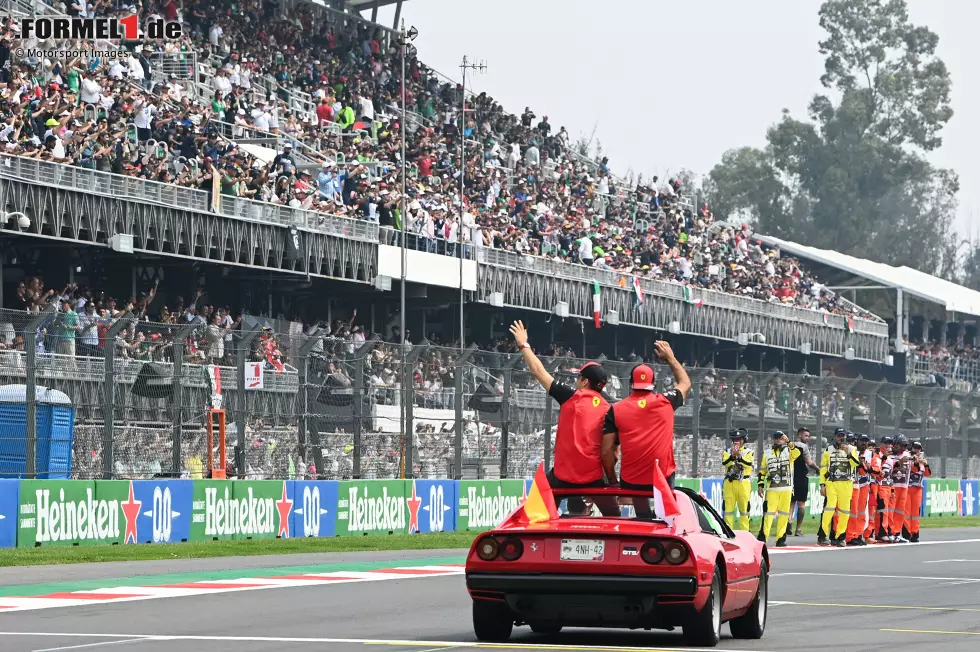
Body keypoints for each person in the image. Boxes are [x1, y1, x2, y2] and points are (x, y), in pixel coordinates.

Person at [508, 320, 610, 493]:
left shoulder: (572, 396)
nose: (576, 381)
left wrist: (524, 344)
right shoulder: (609, 406)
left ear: (585, 382)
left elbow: (539, 371)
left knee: (537, 505)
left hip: (563, 476)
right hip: (595, 477)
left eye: (578, 377)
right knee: (612, 512)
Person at [601, 341, 691, 490]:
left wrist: (612, 480)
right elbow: (685, 383)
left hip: (630, 480)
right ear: (654, 384)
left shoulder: (615, 410)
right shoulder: (666, 401)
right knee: (666, 512)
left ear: (630, 384)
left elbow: (606, 451)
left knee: (640, 509)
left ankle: (642, 512)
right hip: (662, 477)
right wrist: (670, 358)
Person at [818, 428, 861, 547]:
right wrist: (822, 485)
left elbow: (856, 464)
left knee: (845, 511)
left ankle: (841, 537)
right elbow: (823, 469)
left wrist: (847, 452)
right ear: (835, 437)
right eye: (839, 436)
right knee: (829, 509)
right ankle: (823, 535)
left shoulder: (852, 449)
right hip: (831, 482)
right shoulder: (828, 450)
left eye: (843, 436)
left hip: (846, 484)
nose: (841, 438)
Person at [757, 430, 800, 547]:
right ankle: (763, 538)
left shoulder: (789, 451)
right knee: (768, 514)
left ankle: (780, 539)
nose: (778, 440)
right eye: (776, 438)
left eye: (780, 438)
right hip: (772, 489)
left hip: (786, 488)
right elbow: (763, 471)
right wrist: (760, 485)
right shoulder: (767, 453)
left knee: (784, 514)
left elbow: (797, 454)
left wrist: (788, 442)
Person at [722, 429, 754, 531]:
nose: (737, 442)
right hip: (729, 483)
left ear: (744, 440)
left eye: (740, 439)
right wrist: (732, 456)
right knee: (728, 510)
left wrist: (739, 457)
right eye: (735, 440)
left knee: (744, 510)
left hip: (743, 482)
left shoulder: (749, 452)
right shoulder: (727, 451)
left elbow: (748, 464)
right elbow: (725, 463)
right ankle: (728, 533)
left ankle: (745, 533)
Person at [845, 434, 874, 546]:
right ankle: (850, 535)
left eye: (866, 441)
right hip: (854, 484)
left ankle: (858, 534)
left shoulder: (870, 454)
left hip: (864, 484)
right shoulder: (853, 452)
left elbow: (871, 469)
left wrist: (867, 467)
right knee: (853, 511)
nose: (864, 443)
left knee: (862, 512)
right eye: (862, 441)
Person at [884, 434, 913, 543]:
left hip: (904, 486)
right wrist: (898, 462)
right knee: (890, 510)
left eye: (905, 446)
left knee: (900, 511)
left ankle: (896, 532)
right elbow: (887, 469)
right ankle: (889, 532)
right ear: (895, 444)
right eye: (901, 445)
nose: (903, 448)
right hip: (893, 485)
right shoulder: (889, 455)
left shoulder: (907, 454)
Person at [791, 427, 819, 536]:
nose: (807, 438)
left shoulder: (789, 445)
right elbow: (809, 462)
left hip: (791, 477)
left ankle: (788, 523)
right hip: (801, 477)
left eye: (808, 436)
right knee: (801, 503)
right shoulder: (804, 447)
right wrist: (817, 469)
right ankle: (798, 529)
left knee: (791, 502)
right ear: (799, 435)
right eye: (805, 435)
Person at [905, 441, 931, 543]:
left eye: (919, 448)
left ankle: (915, 533)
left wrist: (926, 464)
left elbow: (928, 474)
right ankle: (907, 533)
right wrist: (916, 461)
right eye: (915, 447)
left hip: (918, 488)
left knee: (916, 513)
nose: (917, 450)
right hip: (908, 487)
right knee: (907, 512)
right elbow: (913, 469)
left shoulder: (922, 460)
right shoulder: (908, 458)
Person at [874, 435, 895, 542]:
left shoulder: (891, 459)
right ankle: (881, 533)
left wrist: (892, 489)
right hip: (880, 486)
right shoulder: (877, 456)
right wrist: (884, 458)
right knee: (882, 511)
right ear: (881, 444)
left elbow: (890, 475)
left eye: (889, 443)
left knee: (887, 511)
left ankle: (887, 531)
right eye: (886, 443)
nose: (888, 445)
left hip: (888, 486)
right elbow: (877, 472)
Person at [864, 438, 883, 543]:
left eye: (873, 445)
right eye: (869, 445)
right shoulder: (861, 455)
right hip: (862, 485)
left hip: (872, 487)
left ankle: (868, 534)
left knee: (871, 512)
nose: (871, 447)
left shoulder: (877, 458)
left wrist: (869, 468)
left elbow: (878, 473)